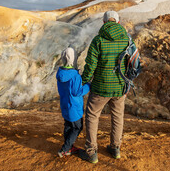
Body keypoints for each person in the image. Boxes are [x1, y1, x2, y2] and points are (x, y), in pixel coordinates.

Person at [79, 11, 133, 164]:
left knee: (92, 116)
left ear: (104, 22)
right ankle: (115, 148)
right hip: (120, 87)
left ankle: (91, 152)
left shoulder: (98, 40)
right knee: (117, 117)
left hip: (100, 87)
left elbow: (91, 65)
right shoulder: (126, 39)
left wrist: (83, 81)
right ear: (117, 21)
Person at [56, 47, 91, 158]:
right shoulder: (75, 76)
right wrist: (88, 85)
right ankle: (65, 149)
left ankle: (69, 146)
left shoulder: (60, 73)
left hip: (65, 105)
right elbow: (77, 92)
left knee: (68, 126)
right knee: (77, 127)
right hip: (74, 108)